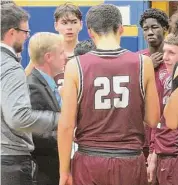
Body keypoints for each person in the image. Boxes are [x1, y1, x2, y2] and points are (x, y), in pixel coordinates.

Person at [58, 4, 160, 185]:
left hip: (89, 159)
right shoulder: (143, 63)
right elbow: (153, 119)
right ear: (121, 28)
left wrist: (64, 171)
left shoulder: (76, 65)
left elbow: (66, 126)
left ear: (90, 32)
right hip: (129, 160)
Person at [1, 5, 59, 185]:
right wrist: (60, 119)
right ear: (12, 32)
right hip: (11, 161)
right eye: (25, 31)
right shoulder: (11, 68)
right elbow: (18, 117)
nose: (27, 36)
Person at [27, 32, 66, 185]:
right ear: (49, 57)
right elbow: (34, 133)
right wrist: (67, 135)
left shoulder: (47, 84)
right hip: (45, 172)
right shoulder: (33, 86)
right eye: (61, 53)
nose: (65, 57)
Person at [138, 8, 169, 163]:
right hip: (142, 131)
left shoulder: (173, 58)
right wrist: (148, 67)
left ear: (165, 29)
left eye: (154, 27)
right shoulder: (137, 59)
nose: (150, 32)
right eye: (145, 29)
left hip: (167, 132)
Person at [147, 33, 178, 185]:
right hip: (162, 156)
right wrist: (153, 154)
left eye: (171, 53)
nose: (165, 57)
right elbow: (158, 121)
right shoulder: (166, 80)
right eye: (164, 51)